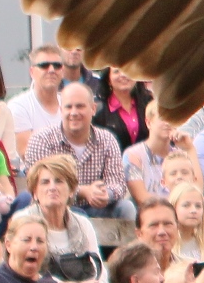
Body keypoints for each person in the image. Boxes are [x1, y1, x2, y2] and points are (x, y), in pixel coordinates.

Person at [20, 82, 132, 222]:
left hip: (96, 207)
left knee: (126, 208)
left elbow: (117, 182)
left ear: (93, 109)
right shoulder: (41, 139)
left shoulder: (107, 139)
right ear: (61, 110)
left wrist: (105, 193)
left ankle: (130, 244)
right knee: (78, 215)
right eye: (68, 107)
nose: (74, 112)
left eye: (80, 106)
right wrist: (83, 192)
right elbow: (37, 184)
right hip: (55, 208)